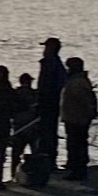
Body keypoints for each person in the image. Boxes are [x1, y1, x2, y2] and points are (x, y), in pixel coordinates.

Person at [59, 57, 98, 180]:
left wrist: (88, 114)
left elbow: (84, 101)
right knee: (76, 144)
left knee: (76, 145)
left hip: (77, 119)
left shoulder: (77, 82)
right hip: (74, 117)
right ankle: (76, 167)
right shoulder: (78, 81)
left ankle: (78, 170)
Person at [36, 39, 68, 171]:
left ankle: (48, 161)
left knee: (47, 133)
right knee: (48, 133)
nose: (44, 50)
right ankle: (48, 160)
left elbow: (52, 86)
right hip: (50, 104)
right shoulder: (54, 64)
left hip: (49, 104)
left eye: (46, 47)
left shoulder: (51, 64)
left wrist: (43, 99)